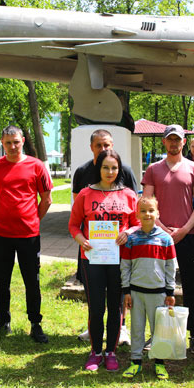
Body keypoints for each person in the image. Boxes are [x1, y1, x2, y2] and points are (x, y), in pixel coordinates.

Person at [68, 149, 138, 372]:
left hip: (119, 259)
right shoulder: (85, 194)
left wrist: (128, 232)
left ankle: (111, 352)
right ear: (98, 168)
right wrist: (82, 239)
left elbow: (137, 223)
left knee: (115, 308)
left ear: (119, 169)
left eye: (114, 168)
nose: (110, 172)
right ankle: (96, 351)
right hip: (92, 258)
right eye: (106, 167)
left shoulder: (128, 194)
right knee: (96, 308)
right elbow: (73, 224)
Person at [0, 125, 53, 343]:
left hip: (29, 235)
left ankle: (35, 324)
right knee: (2, 281)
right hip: (1, 235)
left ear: (22, 141)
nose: (12, 146)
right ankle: (3, 322)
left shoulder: (36, 166)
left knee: (32, 281)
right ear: (2, 144)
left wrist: (33, 220)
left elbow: (46, 199)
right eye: (8, 143)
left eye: (16, 142)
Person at [142, 124, 194, 355]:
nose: (173, 143)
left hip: (187, 236)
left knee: (190, 285)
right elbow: (146, 202)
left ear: (183, 142)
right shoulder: (153, 169)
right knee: (158, 286)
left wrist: (185, 229)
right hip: (159, 237)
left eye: (177, 139)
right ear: (164, 142)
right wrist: (161, 228)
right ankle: (156, 332)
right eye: (170, 139)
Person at [120, 196, 177, 380]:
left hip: (158, 293)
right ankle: (135, 361)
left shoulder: (165, 239)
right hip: (136, 292)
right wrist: (126, 291)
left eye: (151, 210)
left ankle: (159, 362)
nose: (147, 214)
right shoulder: (132, 239)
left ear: (158, 213)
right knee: (137, 328)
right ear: (137, 214)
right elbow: (125, 266)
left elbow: (170, 266)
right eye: (143, 211)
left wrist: (170, 291)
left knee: (158, 329)